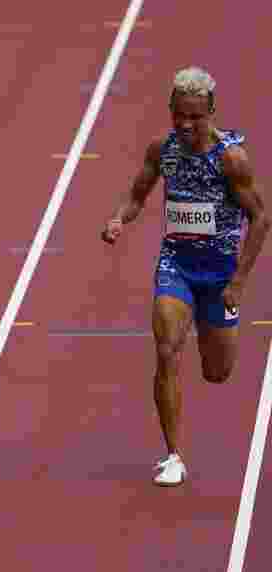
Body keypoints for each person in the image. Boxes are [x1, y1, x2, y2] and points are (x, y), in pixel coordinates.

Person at [102, 66, 270, 486]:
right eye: (179, 114)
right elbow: (137, 195)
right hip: (176, 265)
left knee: (216, 372)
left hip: (219, 276)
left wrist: (238, 283)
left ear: (211, 110)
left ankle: (213, 325)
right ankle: (173, 455)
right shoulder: (164, 149)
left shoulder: (231, 159)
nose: (186, 124)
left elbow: (260, 218)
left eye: (195, 116)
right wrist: (119, 219)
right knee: (165, 351)